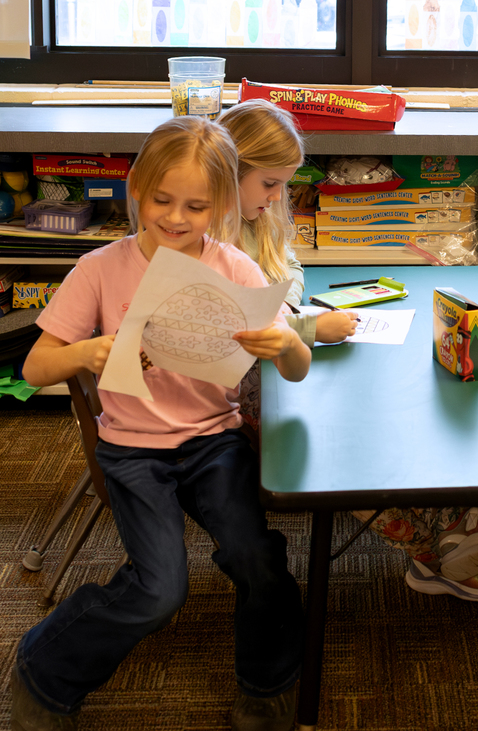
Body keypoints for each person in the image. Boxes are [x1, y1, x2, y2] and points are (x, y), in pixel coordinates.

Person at [11, 116, 311, 731]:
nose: (176, 218)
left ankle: (267, 680)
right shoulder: (99, 268)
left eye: (196, 206)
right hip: (131, 449)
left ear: (224, 206)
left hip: (213, 441)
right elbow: (36, 366)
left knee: (258, 557)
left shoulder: (235, 268)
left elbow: (298, 370)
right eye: (161, 200)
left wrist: (284, 343)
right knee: (158, 589)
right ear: (136, 190)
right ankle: (44, 668)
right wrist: (86, 353)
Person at [218, 99, 478, 603]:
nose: (279, 196)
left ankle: (451, 528)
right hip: (234, 396)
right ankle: (439, 546)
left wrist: (286, 307)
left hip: (279, 361)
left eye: (284, 184)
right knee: (329, 448)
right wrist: (306, 326)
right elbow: (237, 328)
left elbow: (289, 268)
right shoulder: (205, 235)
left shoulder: (257, 216)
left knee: (374, 408)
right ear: (228, 172)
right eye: (269, 184)